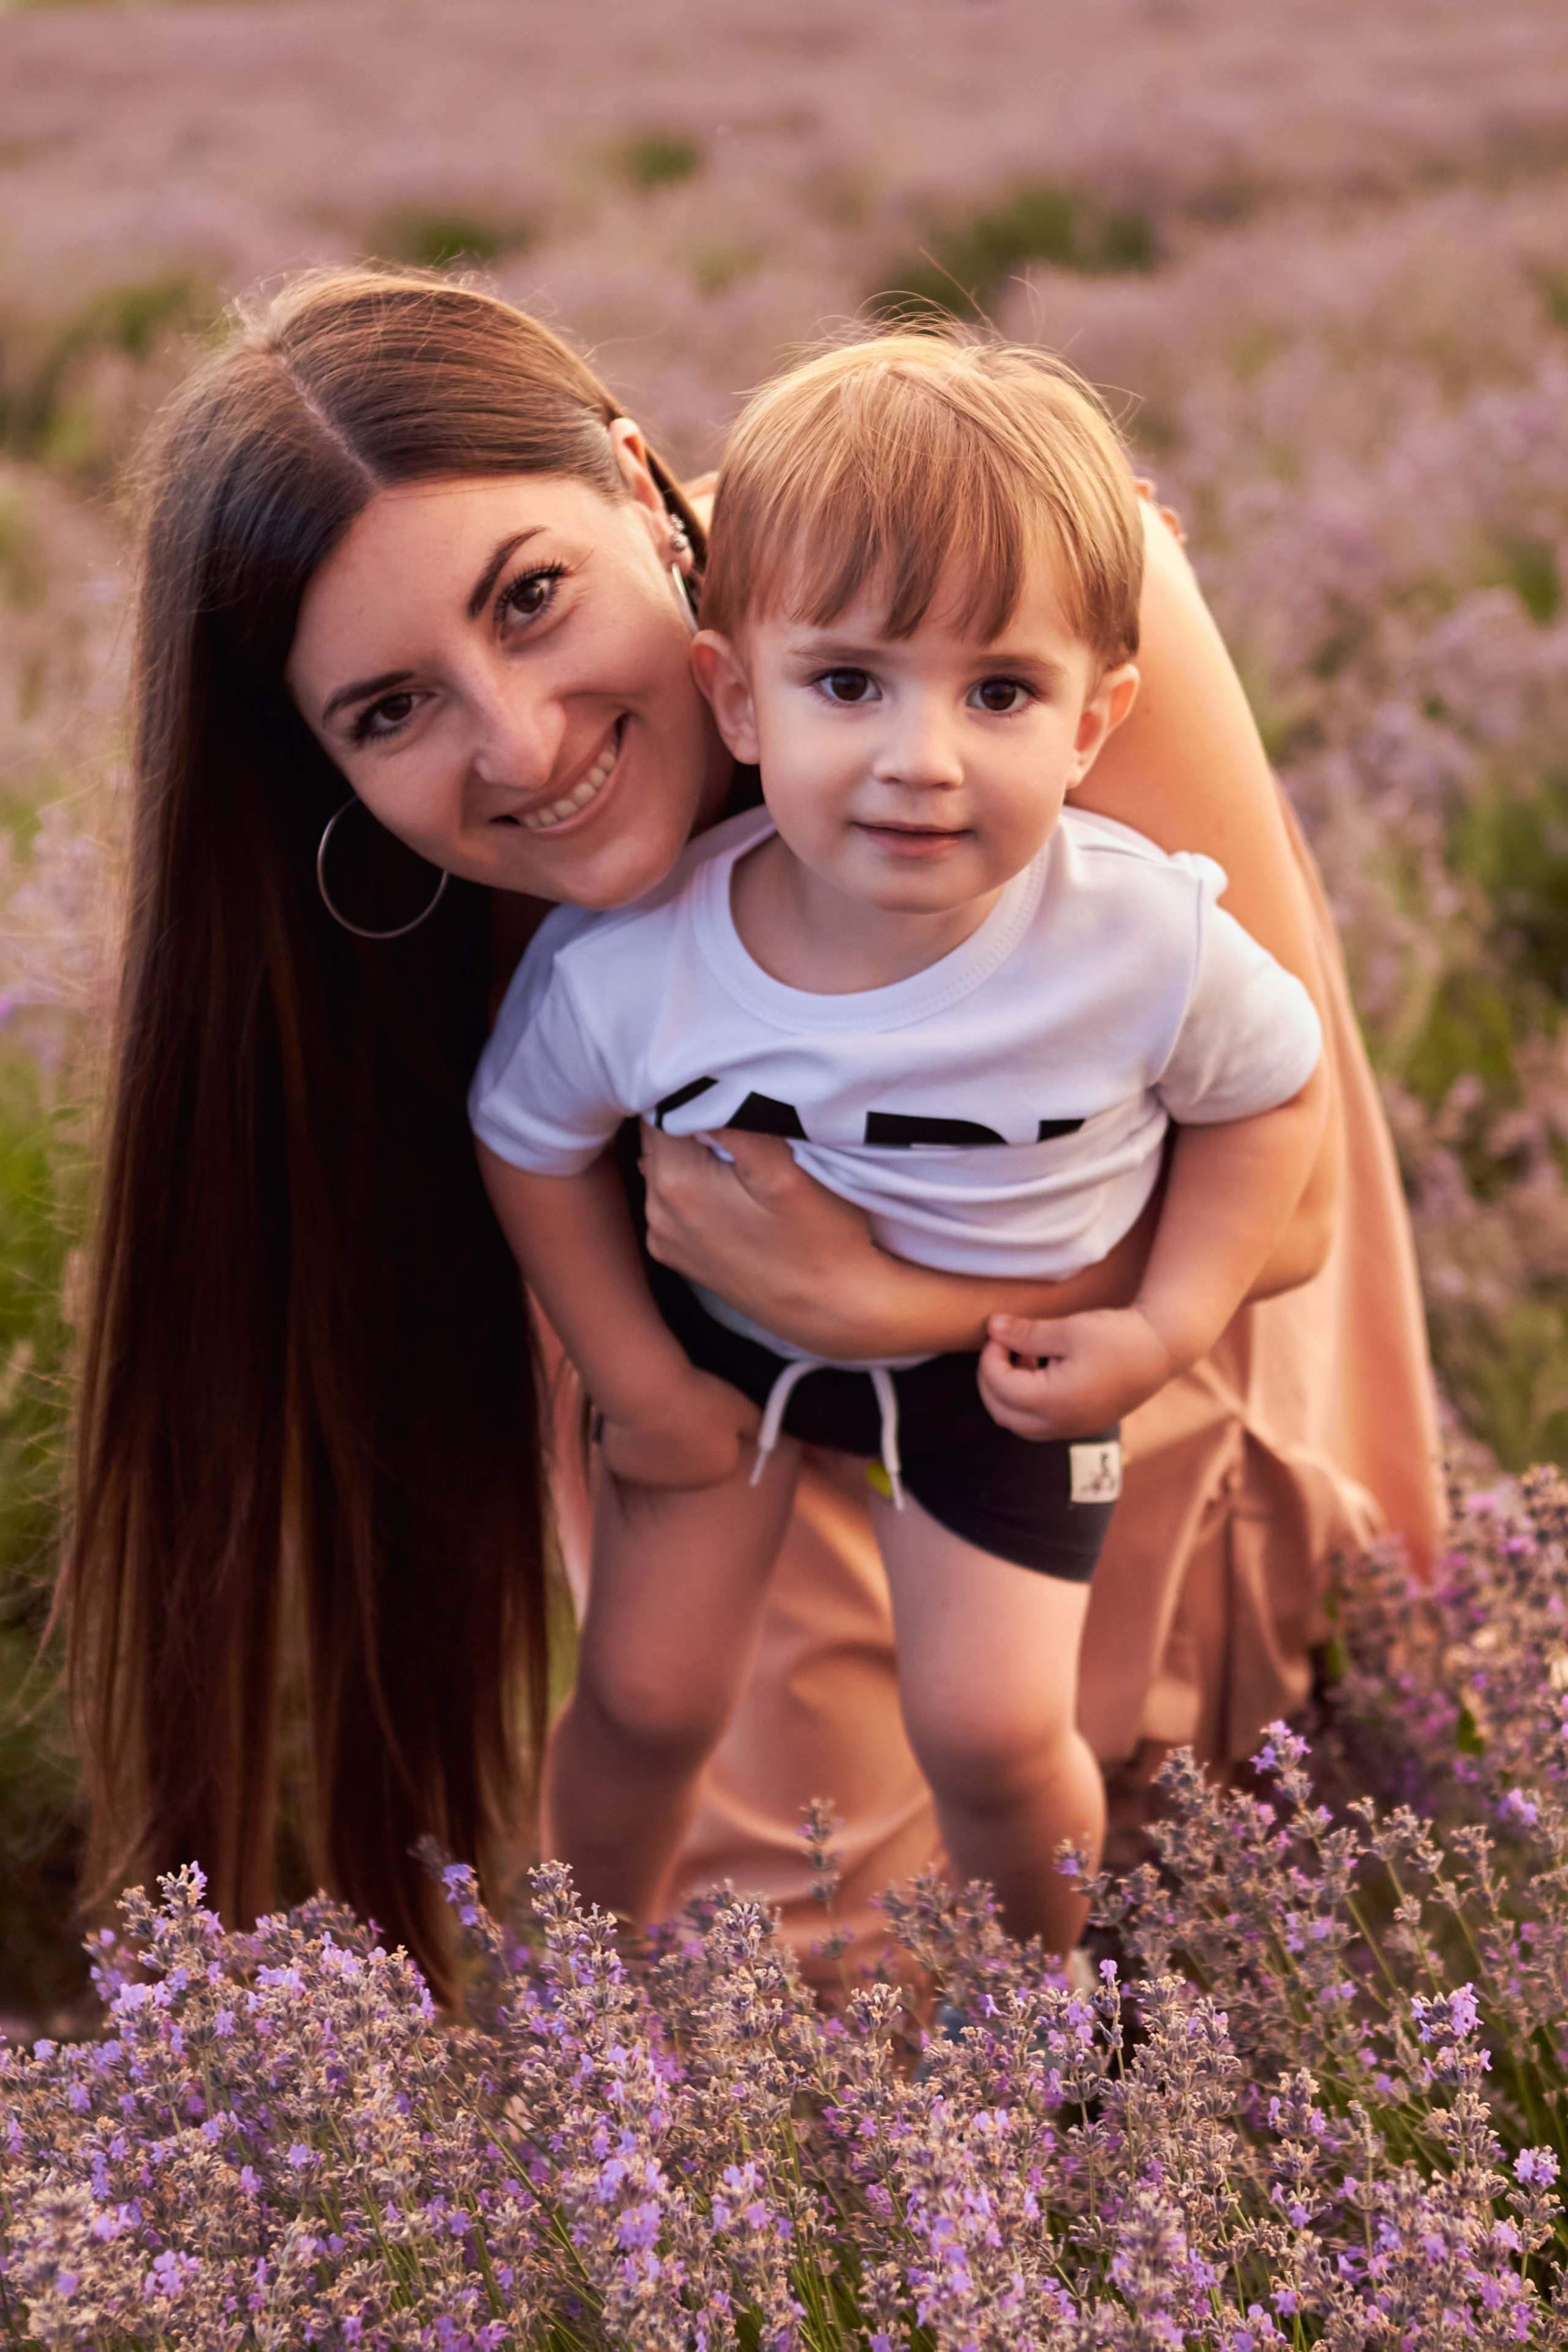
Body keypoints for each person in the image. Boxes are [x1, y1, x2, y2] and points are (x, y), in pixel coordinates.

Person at [60, 267, 1440, 2000]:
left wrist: (884, 1309)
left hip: (1103, 1336)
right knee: (792, 1978)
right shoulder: (428, 926)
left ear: (646, 490)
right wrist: (669, 1376)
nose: (525, 739)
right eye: (390, 711)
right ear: (320, 761)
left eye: (537, 597)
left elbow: (1283, 1195)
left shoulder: (989, 602)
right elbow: (550, 1196)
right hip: (711, 1382)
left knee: (1128, 1836)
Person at [469, 334, 1325, 1955]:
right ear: (735, 693)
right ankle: (570, 1993)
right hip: (723, 1356)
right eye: (848, 683)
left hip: (992, 1382)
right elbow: (527, 1143)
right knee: (647, 1702)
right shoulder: (647, 960)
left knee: (996, 1736)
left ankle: (1044, 2016)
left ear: (1095, 723)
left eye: (1000, 691)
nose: (922, 758)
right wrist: (636, 1384)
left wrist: (1165, 1323)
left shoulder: (1140, 942)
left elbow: (1270, 1104)